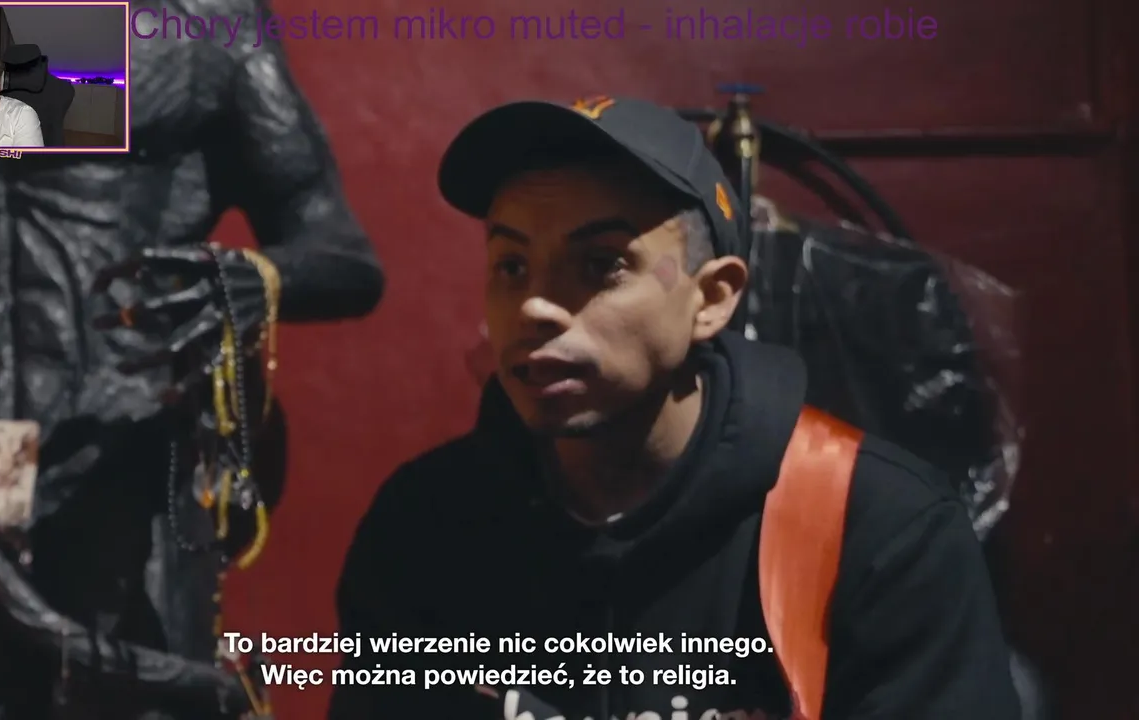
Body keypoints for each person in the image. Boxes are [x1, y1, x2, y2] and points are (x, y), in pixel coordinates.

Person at [329, 96, 1021, 720]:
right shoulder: (423, 527)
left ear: (712, 299)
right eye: (512, 266)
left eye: (600, 264)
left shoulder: (878, 528)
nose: (535, 306)